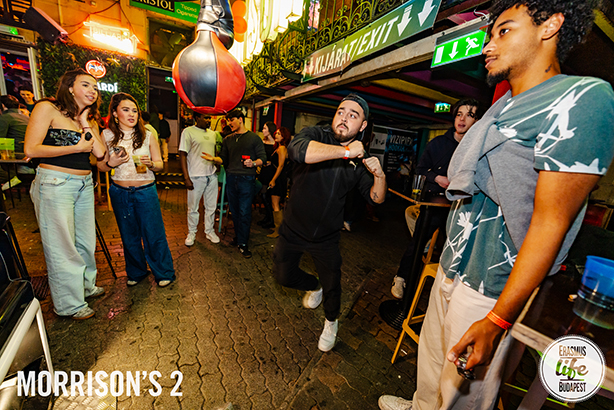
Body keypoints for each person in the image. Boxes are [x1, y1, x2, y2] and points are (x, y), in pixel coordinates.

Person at [378, 1, 614, 409]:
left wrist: (498, 319)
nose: (488, 45)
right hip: (454, 263)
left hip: (493, 285)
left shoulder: (581, 99)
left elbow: (551, 223)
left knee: (462, 396)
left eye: (503, 31)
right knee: (432, 369)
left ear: (550, 25)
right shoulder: (502, 106)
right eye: (490, 35)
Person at [273, 94, 386, 352]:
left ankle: (331, 322)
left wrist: (379, 176)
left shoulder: (361, 158)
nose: (344, 118)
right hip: (293, 229)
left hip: (326, 237)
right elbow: (297, 151)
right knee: (283, 275)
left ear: (363, 125)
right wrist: (345, 152)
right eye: (341, 112)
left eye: (353, 115)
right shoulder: (316, 134)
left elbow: (376, 199)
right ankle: (314, 286)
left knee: (333, 285)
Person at [25, 68, 107, 320]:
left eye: (95, 87)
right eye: (86, 85)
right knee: (62, 245)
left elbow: (100, 153)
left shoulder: (87, 120)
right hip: (55, 183)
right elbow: (31, 149)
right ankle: (69, 304)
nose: (92, 90)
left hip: (84, 184)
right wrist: (75, 147)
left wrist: (84, 121)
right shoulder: (47, 108)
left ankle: (85, 286)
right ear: (70, 88)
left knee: (85, 242)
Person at [391, 99, 480, 299]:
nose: (462, 119)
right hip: (433, 203)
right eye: (459, 114)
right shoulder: (438, 143)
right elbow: (420, 169)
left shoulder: (475, 148)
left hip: (460, 207)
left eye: (469, 115)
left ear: (476, 121)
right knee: (417, 243)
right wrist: (437, 178)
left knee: (455, 249)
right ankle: (401, 277)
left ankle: (446, 288)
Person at [97, 93, 175, 288]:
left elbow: (160, 165)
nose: (132, 114)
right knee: (128, 235)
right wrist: (110, 162)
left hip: (145, 191)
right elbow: (101, 166)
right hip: (119, 192)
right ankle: (136, 272)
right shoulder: (107, 135)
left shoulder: (147, 135)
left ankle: (164, 272)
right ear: (115, 113)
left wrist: (152, 164)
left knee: (154, 234)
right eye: (126, 110)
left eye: (134, 111)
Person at [202, 109, 266, 258]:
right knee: (235, 211)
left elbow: (263, 158)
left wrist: (253, 163)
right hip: (231, 178)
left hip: (247, 179)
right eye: (228, 120)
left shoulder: (254, 138)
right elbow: (223, 159)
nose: (229, 123)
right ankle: (239, 238)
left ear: (240, 119)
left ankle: (243, 243)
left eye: (232, 120)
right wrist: (214, 159)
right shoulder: (228, 139)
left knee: (244, 212)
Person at [180, 112, 223, 246]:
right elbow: (182, 154)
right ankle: (191, 233)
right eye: (206, 117)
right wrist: (186, 177)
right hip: (195, 176)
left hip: (211, 175)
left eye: (210, 117)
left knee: (211, 207)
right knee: (193, 208)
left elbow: (214, 151)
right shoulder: (188, 132)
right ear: (197, 118)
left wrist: (216, 165)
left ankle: (209, 231)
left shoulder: (213, 134)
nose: (209, 120)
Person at [266, 126, 291, 238]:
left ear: (284, 137)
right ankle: (278, 228)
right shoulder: (280, 148)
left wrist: (273, 180)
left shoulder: (282, 148)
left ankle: (278, 230)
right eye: (276, 133)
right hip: (279, 178)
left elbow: (281, 166)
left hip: (278, 179)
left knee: (275, 204)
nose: (276, 135)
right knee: (275, 203)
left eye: (279, 134)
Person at [257, 121, 277, 229]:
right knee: (263, 194)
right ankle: (268, 217)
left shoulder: (276, 144)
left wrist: (271, 162)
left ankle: (271, 219)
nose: (263, 130)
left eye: (265, 128)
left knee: (268, 195)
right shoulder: (263, 142)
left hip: (271, 172)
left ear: (270, 130)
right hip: (264, 171)